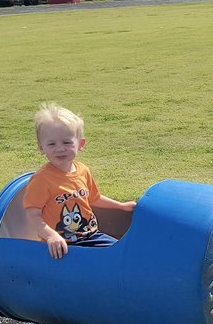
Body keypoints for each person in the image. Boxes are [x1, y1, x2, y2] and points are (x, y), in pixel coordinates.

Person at [23, 104, 136, 258]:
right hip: (62, 245)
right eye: (51, 144)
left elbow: (94, 198)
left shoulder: (83, 170)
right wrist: (51, 236)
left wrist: (121, 206)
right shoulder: (41, 180)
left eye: (67, 142)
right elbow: (32, 215)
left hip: (91, 236)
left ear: (80, 144)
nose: (60, 148)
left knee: (123, 254)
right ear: (41, 148)